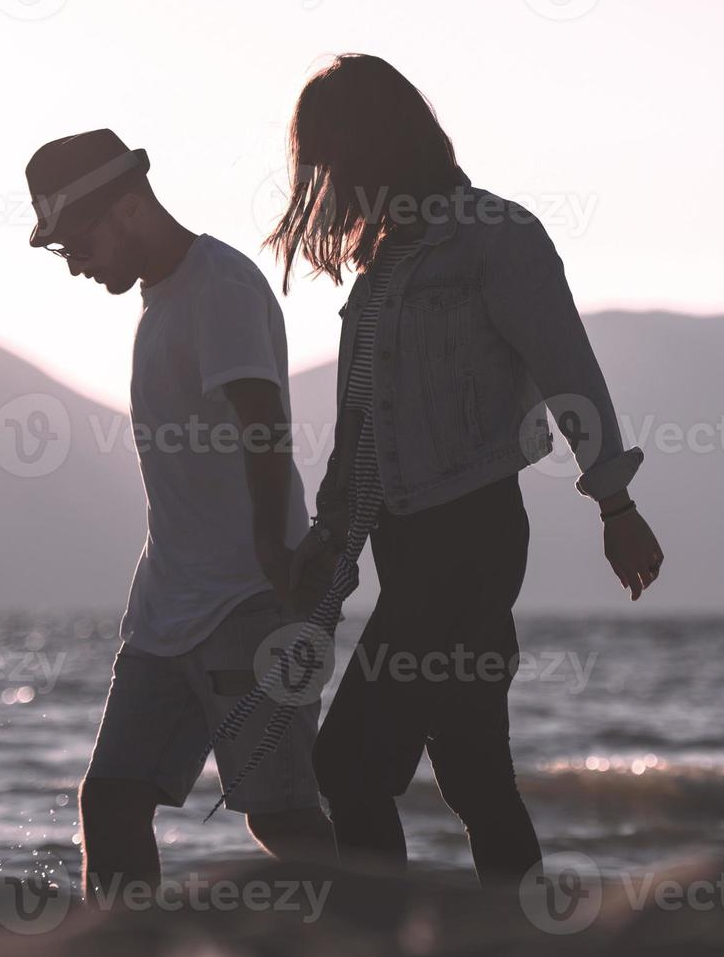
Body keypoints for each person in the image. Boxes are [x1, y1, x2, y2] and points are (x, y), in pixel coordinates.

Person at [213, 55, 665, 887]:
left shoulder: (498, 235)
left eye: (334, 150)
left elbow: (571, 372)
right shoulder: (379, 264)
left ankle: (381, 938)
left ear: (383, 136)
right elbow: (364, 431)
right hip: (404, 544)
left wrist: (616, 502)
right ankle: (523, 934)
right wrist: (330, 541)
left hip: (473, 540)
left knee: (349, 765)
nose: (326, 174)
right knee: (475, 774)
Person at [24, 128, 333, 901]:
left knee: (283, 818)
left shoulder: (219, 287)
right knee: (113, 802)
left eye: (77, 243)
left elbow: (262, 419)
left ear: (128, 209)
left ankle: (369, 935)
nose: (76, 264)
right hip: (169, 608)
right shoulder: (163, 299)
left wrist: (272, 548)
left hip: (248, 603)